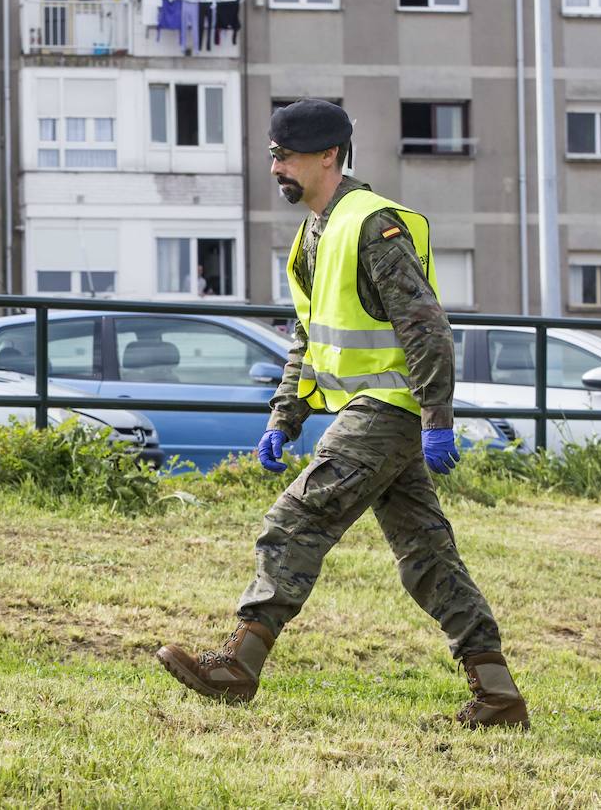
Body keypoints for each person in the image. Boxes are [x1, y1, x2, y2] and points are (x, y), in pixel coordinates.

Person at [155, 100, 528, 729]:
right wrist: (285, 416)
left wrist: (437, 416)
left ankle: (238, 667)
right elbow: (308, 336)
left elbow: (425, 326)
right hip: (367, 408)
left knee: (295, 518)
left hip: (390, 407)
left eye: (288, 155)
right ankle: (498, 696)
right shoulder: (312, 234)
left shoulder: (372, 224)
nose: (276, 166)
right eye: (272, 154)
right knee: (427, 557)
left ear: (329, 155)